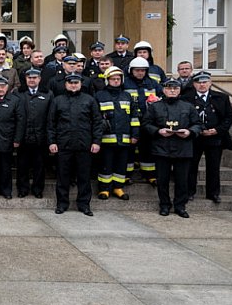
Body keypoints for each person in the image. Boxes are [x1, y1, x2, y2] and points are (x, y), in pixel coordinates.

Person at [143, 78, 201, 217]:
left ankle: (180, 206)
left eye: (175, 88)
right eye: (169, 88)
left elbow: (198, 124)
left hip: (183, 147)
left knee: (182, 180)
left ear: (180, 90)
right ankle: (164, 205)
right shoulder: (155, 107)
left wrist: (190, 132)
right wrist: (158, 131)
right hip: (162, 147)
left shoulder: (188, 106)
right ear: (164, 90)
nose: (172, 91)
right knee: (162, 180)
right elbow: (146, 123)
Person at [47, 73, 103, 216]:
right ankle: (62, 204)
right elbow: (51, 123)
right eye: (71, 83)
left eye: (76, 83)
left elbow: (97, 122)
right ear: (66, 84)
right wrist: (52, 142)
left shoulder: (89, 100)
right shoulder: (57, 100)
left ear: (80, 84)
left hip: (84, 144)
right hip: (63, 144)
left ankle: (84, 205)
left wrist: (96, 142)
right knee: (62, 176)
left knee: (84, 177)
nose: (73, 85)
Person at [182, 71, 232, 203]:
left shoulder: (221, 97)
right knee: (191, 166)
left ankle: (213, 193)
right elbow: (183, 117)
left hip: (215, 137)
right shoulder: (186, 98)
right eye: (199, 82)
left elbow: (228, 117)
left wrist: (217, 130)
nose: (202, 85)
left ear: (210, 83)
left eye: (205, 82)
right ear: (194, 84)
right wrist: (196, 130)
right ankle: (189, 192)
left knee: (213, 167)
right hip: (195, 138)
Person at [94, 66, 139, 201]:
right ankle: (104, 188)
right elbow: (95, 118)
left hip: (124, 139)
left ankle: (118, 188)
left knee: (121, 164)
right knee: (105, 164)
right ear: (107, 80)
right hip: (106, 140)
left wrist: (135, 135)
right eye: (113, 79)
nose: (115, 81)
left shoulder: (127, 96)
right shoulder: (99, 96)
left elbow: (134, 117)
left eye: (118, 79)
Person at [0, 75, 25, 199]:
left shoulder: (15, 100)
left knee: (6, 167)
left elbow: (20, 121)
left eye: (3, 86)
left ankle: (6, 190)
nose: (0, 88)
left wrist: (17, 139)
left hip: (7, 139)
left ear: (7, 87)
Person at [124, 57, 163, 186]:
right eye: (137, 70)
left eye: (142, 70)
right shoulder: (125, 83)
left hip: (149, 121)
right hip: (130, 121)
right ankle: (126, 175)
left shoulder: (153, 83)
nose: (140, 73)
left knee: (148, 148)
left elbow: (162, 97)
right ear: (131, 70)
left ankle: (150, 175)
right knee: (129, 150)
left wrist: (157, 100)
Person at [16, 69, 50, 198]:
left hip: (40, 137)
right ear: (25, 79)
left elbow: (50, 117)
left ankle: (38, 190)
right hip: (23, 136)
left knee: (39, 166)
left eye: (34, 78)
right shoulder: (18, 93)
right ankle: (22, 189)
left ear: (39, 79)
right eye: (29, 78)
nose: (32, 80)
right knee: (22, 165)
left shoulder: (47, 94)